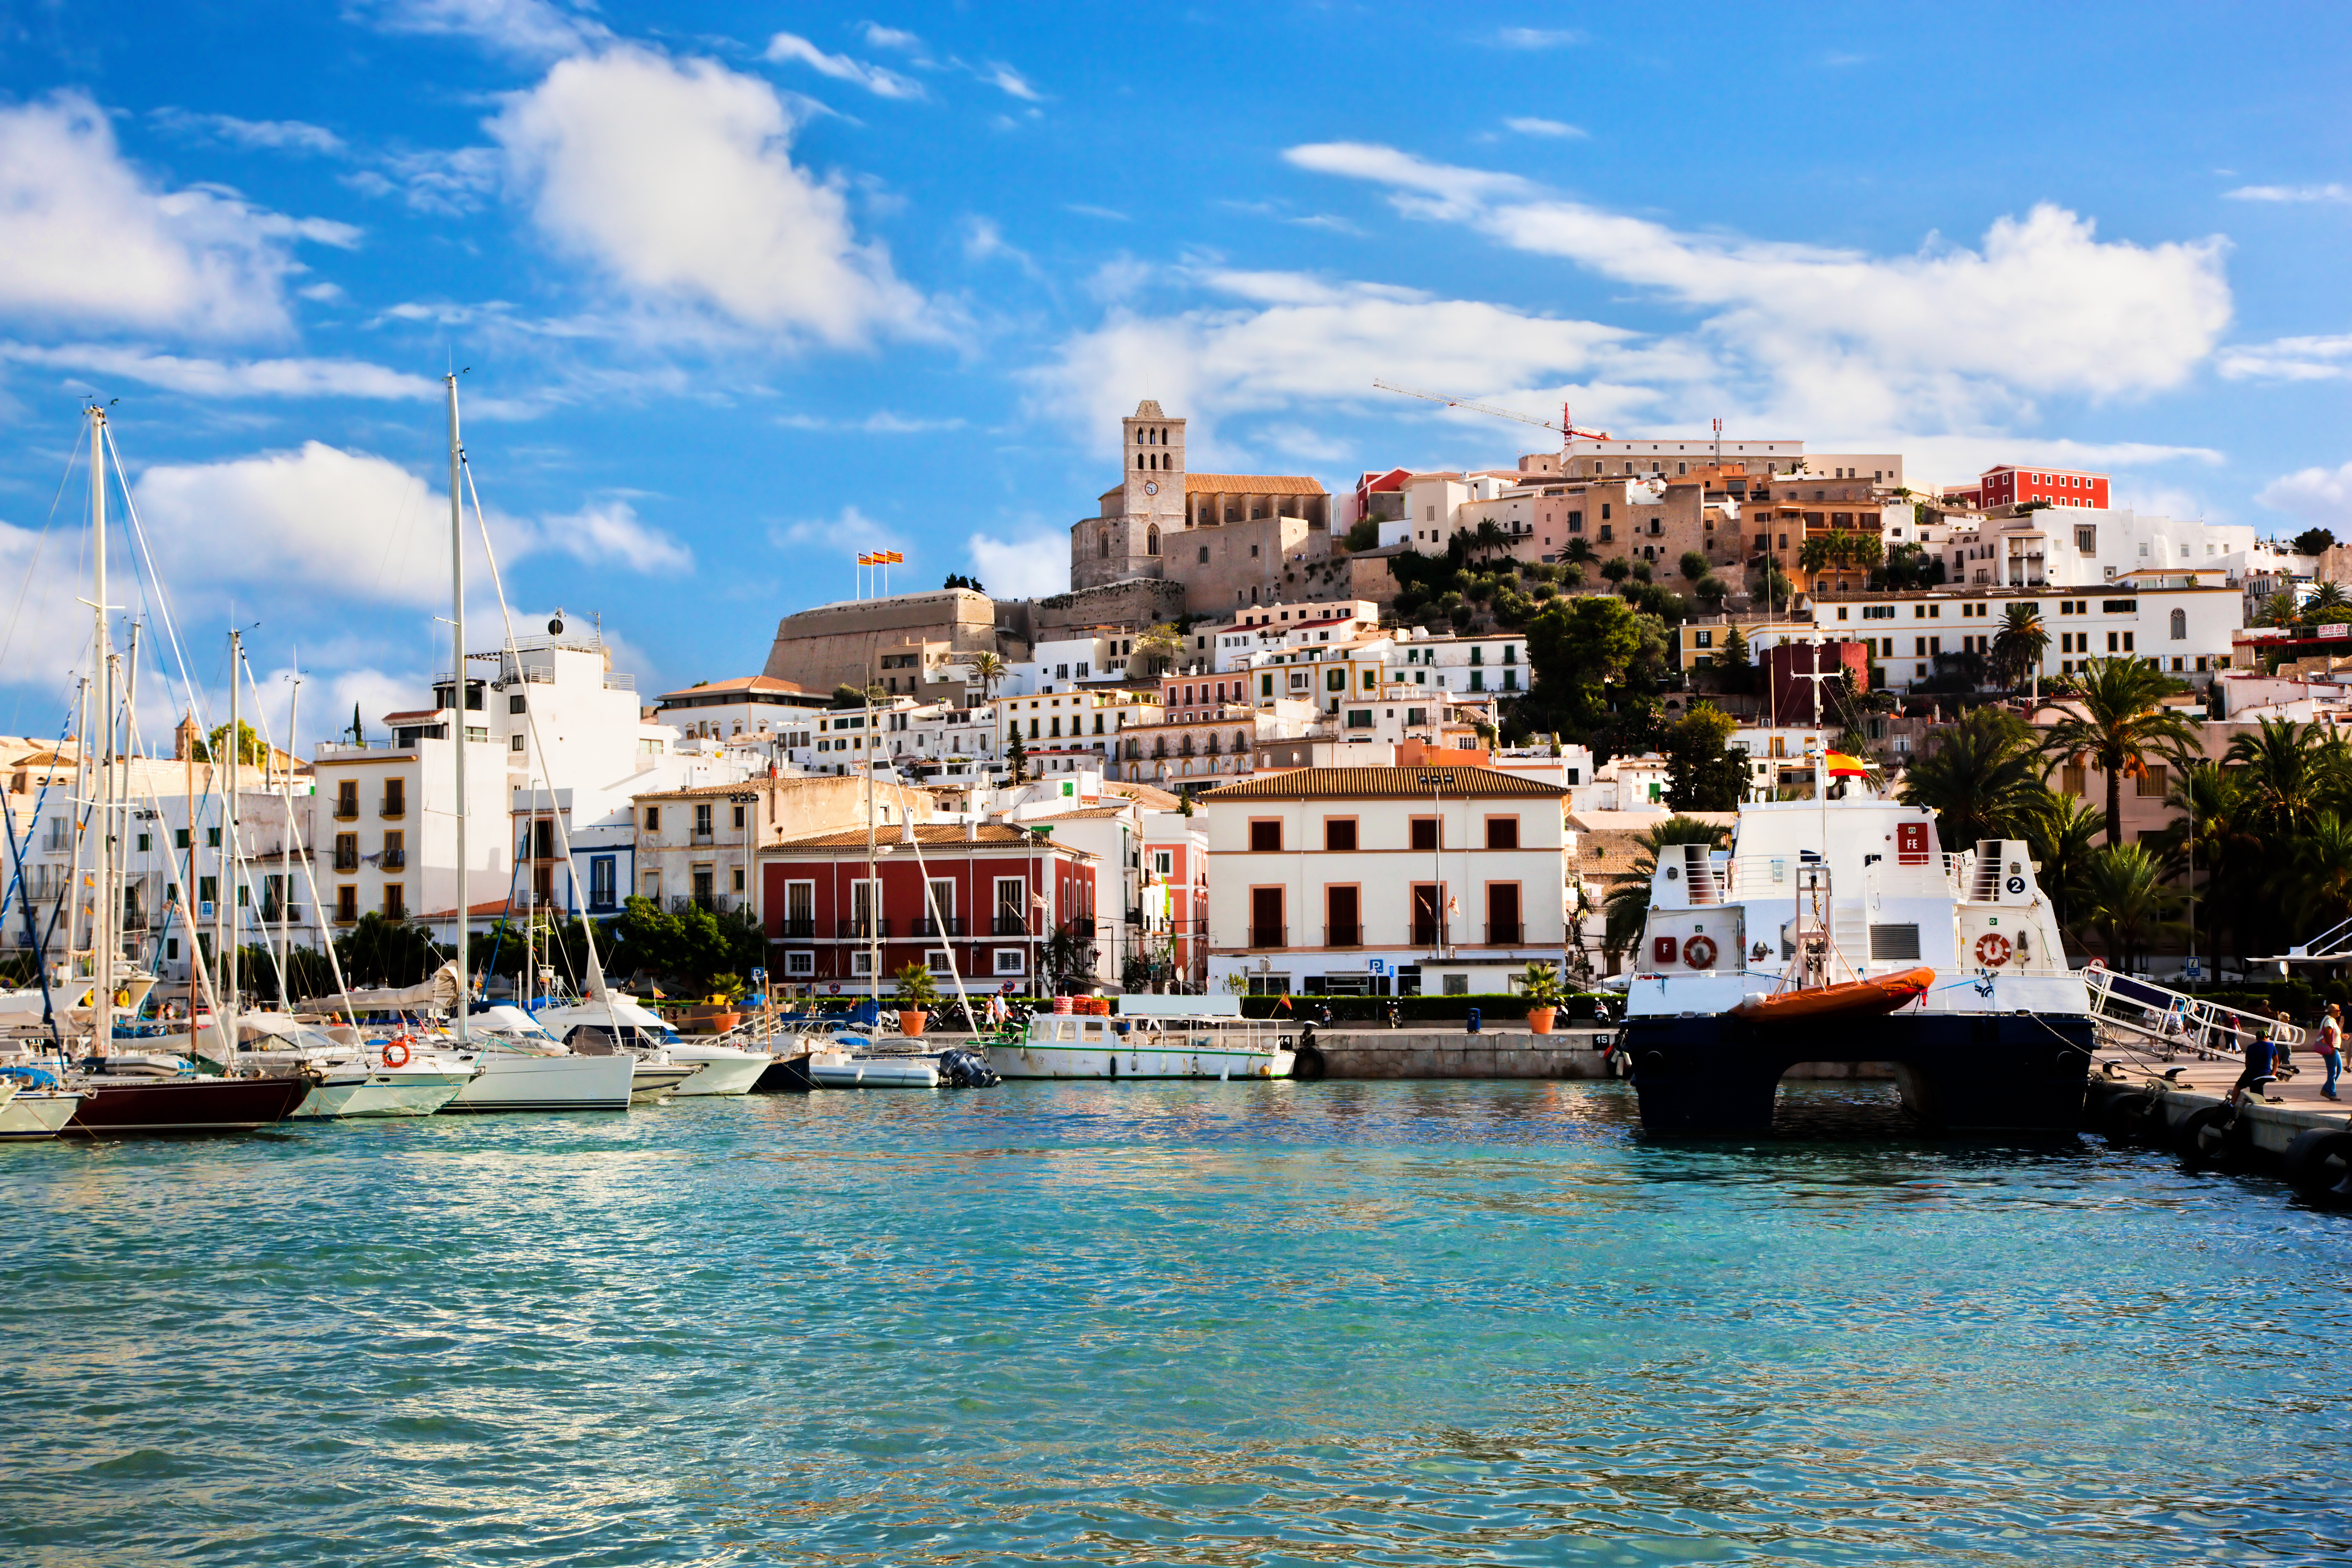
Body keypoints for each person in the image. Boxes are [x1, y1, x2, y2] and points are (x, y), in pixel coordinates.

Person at [2228, 1012, 2274, 1105]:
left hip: (2253, 1072)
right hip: (2267, 1072)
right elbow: (2276, 1061)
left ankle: (2232, 1105)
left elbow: (2247, 1063)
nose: (2268, 1040)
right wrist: (2274, 1073)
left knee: (2238, 1087)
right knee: (2255, 1082)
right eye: (2268, 1038)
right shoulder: (2271, 1046)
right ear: (2265, 1038)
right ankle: (2257, 1099)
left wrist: (2249, 1071)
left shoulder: (2251, 1047)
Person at [2317, 1004, 2343, 1102]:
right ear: (2333, 1011)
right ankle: (2332, 1093)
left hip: (2334, 1049)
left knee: (2339, 1070)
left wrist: (2342, 1036)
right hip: (2331, 1049)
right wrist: (2331, 1047)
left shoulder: (2332, 1020)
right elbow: (2328, 1034)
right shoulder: (2329, 1020)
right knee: (2332, 1072)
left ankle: (2325, 1090)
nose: (2340, 1012)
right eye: (2338, 1010)